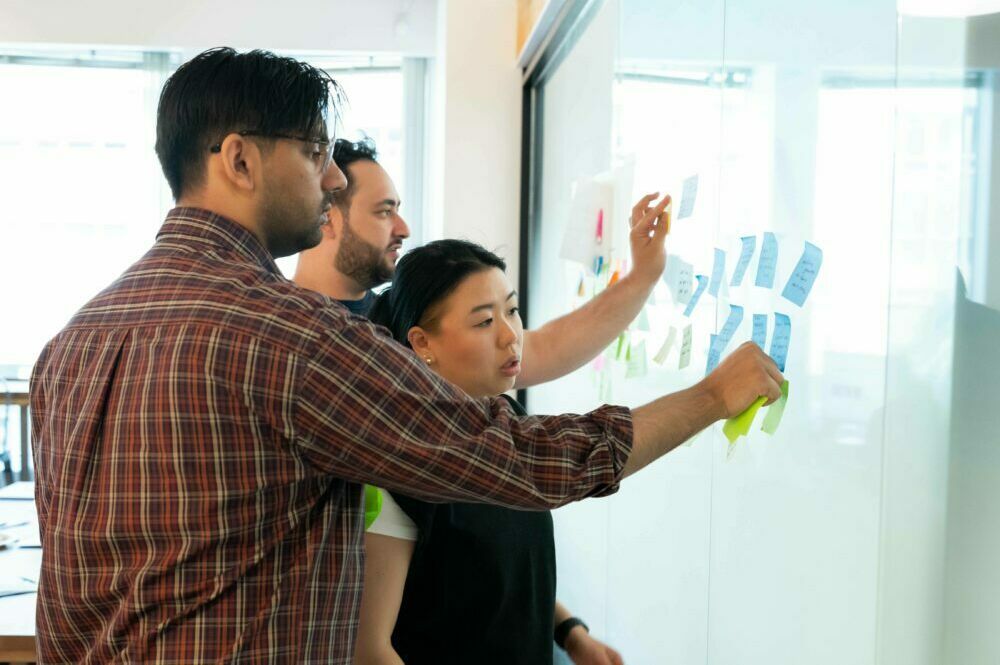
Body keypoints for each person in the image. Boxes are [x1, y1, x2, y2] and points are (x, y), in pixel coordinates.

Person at [30, 47, 783, 663]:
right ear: (239, 160)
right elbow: (519, 459)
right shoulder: (294, 338)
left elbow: (70, 589)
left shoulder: (71, 343)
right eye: (315, 152)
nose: (332, 179)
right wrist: (711, 397)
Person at [356, 239, 623, 664]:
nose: (510, 335)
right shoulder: (401, 462)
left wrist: (569, 632)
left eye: (512, 310)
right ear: (422, 343)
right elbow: (370, 650)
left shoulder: (510, 420)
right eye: (484, 321)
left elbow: (505, 569)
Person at [294, 138, 669, 388]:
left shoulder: (396, 318)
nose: (404, 229)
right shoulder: (292, 336)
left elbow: (547, 348)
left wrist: (643, 276)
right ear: (327, 215)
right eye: (384, 211)